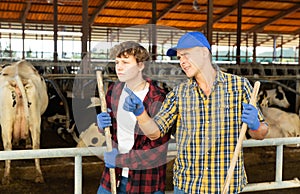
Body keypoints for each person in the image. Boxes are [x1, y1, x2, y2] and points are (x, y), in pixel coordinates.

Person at [122, 32, 269, 194]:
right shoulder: (179, 93)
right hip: (187, 186)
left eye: (186, 55)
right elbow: (155, 133)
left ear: (205, 53)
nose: (182, 62)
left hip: (226, 185)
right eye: (179, 58)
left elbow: (260, 133)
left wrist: (255, 125)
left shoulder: (240, 86)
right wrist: (140, 113)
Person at [96, 41, 171, 194]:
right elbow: (112, 132)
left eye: (125, 62)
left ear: (140, 65)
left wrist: (118, 160)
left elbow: (155, 151)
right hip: (112, 177)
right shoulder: (114, 90)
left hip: (145, 182)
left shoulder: (157, 98)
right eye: (117, 62)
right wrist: (102, 126)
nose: (119, 67)